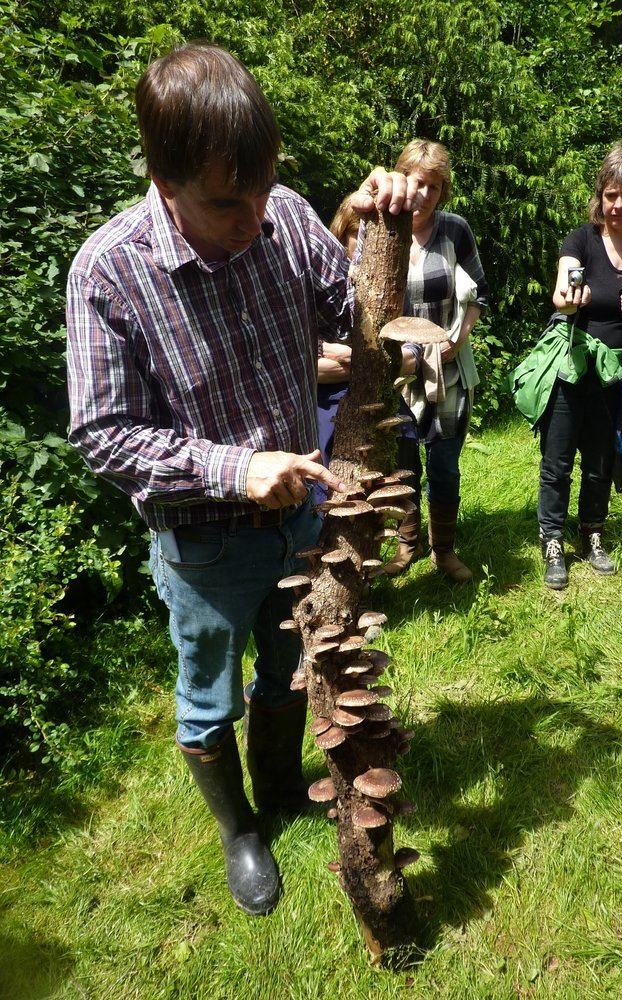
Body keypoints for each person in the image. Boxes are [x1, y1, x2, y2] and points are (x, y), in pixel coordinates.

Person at [65, 43, 417, 918]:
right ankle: (240, 831)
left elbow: (356, 316)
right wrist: (235, 466)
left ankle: (281, 780)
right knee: (206, 696)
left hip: (302, 524)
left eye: (263, 189)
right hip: (204, 545)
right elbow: (102, 434)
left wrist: (388, 227)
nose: (254, 217)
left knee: (290, 667)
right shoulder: (108, 272)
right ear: (163, 175)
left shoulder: (287, 216)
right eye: (228, 201)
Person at [539, 140, 622, 589]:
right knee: (557, 462)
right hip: (572, 367)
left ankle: (593, 531)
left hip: (619, 375)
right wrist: (571, 301)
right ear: (601, 194)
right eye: (610, 194)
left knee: (600, 461)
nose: (617, 205)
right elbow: (560, 292)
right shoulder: (581, 239)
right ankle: (551, 539)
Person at [394, 139, 489, 583]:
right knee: (403, 464)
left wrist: (458, 339)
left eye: (434, 186)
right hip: (397, 376)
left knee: (445, 464)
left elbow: (478, 295)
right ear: (403, 179)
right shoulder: (382, 229)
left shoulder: (454, 230)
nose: (425, 194)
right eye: (418, 183)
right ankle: (406, 545)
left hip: (448, 370)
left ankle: (443, 551)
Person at [315, 195, 422, 576]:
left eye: (369, 234)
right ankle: (345, 566)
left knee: (404, 457)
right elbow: (309, 369)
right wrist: (368, 362)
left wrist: (345, 357)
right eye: (353, 234)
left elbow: (412, 356)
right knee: (340, 489)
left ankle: (403, 549)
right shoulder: (316, 290)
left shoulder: (389, 290)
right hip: (329, 409)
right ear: (338, 235)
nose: (360, 243)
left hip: (383, 401)